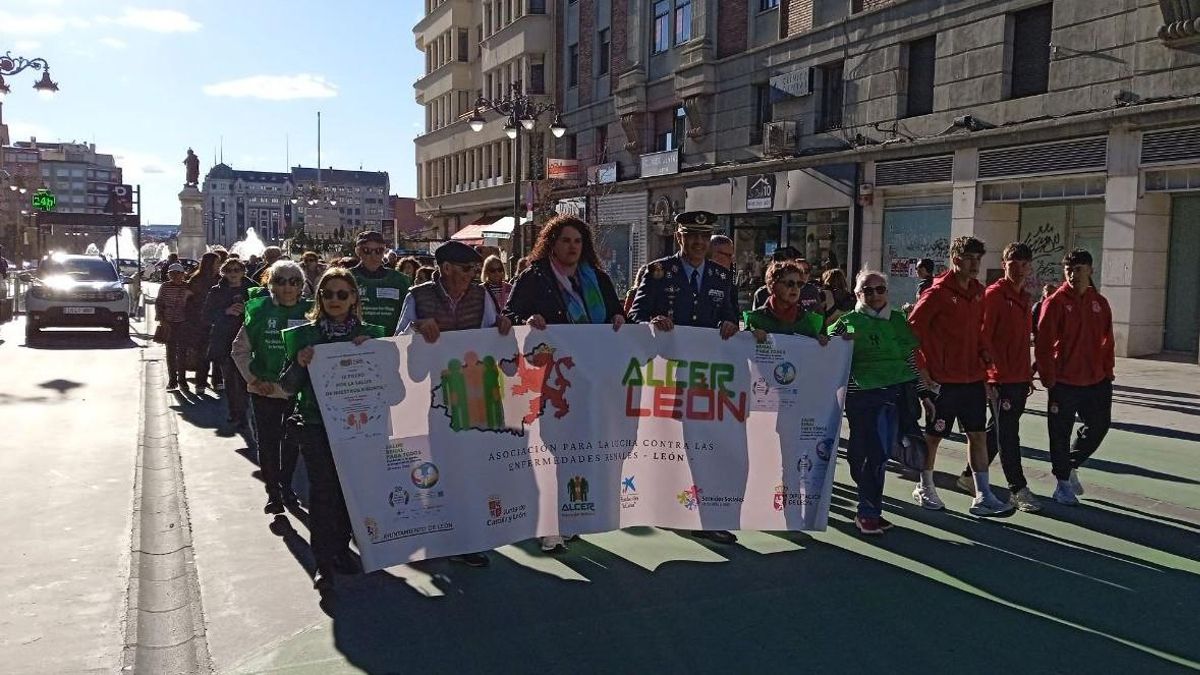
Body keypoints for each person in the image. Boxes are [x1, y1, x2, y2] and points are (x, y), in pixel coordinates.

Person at [504, 216, 626, 552]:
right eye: (565, 240)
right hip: (549, 380)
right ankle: (548, 525)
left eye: (577, 241)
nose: (572, 247)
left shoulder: (597, 278)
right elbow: (510, 314)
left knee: (579, 450)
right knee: (549, 449)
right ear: (551, 243)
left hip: (590, 382)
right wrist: (527, 321)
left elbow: (617, 314)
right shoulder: (534, 276)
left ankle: (573, 517)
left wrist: (618, 318)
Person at [397, 240, 513, 568]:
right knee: (431, 465)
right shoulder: (418, 296)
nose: (471, 276)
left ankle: (465, 539)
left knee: (466, 467)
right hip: (430, 398)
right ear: (445, 268)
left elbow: (493, 332)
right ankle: (428, 532)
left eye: (474, 270)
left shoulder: (482, 295)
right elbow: (397, 341)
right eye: (465, 270)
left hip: (469, 395)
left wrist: (502, 326)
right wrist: (417, 329)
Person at [630, 210, 740, 545]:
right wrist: (653, 322)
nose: (697, 242)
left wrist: (730, 326)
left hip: (704, 377)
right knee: (666, 443)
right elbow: (635, 315)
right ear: (679, 237)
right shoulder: (659, 272)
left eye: (703, 237)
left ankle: (705, 517)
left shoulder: (722, 277)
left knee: (703, 446)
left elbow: (732, 318)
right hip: (665, 375)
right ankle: (663, 506)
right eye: (690, 235)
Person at [281, 268, 386, 592]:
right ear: (319, 298)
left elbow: (390, 384)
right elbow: (286, 386)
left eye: (342, 294)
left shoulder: (372, 333)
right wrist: (299, 362)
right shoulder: (305, 335)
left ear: (354, 298)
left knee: (350, 491)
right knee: (323, 493)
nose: (335, 300)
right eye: (328, 294)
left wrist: (371, 352)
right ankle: (323, 563)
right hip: (316, 425)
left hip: (360, 428)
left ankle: (341, 550)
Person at [908, 235, 1013, 516]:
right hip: (943, 382)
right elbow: (911, 333)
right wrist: (923, 370)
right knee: (933, 437)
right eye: (969, 258)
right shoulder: (936, 293)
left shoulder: (979, 292)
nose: (975, 264)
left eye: (978, 258)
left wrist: (988, 363)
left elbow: (979, 333)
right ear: (955, 259)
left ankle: (983, 495)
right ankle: (924, 486)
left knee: (977, 436)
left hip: (972, 381)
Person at [827, 270, 927, 534]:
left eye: (879, 289)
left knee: (881, 454)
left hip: (898, 393)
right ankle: (867, 510)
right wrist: (838, 341)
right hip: (864, 396)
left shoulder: (897, 320)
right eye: (867, 290)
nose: (874, 295)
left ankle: (871, 508)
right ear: (858, 294)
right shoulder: (847, 322)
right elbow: (825, 349)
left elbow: (909, 359)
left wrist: (925, 393)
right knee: (870, 453)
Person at [952, 243, 1041, 512]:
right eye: (1014, 262)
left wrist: (1027, 375)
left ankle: (969, 476)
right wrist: (988, 377)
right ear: (1004, 264)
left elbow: (1022, 341)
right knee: (1008, 433)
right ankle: (1017, 487)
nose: (1020, 268)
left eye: (1025, 263)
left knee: (998, 428)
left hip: (1018, 377)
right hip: (998, 378)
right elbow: (983, 337)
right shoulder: (993, 296)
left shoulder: (1025, 298)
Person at [231, 260, 313, 515]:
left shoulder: (312, 313)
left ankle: (286, 486)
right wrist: (254, 380)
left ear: (301, 286)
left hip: (297, 393)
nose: (287, 287)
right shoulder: (259, 311)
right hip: (264, 389)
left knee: (292, 444)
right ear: (271, 285)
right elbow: (239, 350)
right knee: (267, 443)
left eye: (294, 281)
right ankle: (273, 493)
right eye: (281, 281)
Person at [1035, 249, 1114, 506]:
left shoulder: (1099, 303)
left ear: (1090, 270)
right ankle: (1062, 484)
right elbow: (1044, 344)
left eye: (1079, 269)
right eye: (1069, 269)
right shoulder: (1055, 302)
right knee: (1059, 432)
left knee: (1100, 425)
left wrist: (1107, 371)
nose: (1073, 274)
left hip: (1096, 380)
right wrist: (1048, 378)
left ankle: (1070, 465)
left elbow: (1107, 340)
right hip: (1064, 381)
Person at [203, 258, 258, 431]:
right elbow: (206, 316)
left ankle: (250, 413)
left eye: (237, 270)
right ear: (224, 272)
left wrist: (247, 310)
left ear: (243, 271)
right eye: (230, 270)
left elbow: (264, 310)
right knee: (231, 380)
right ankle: (237, 413)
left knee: (247, 379)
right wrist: (225, 311)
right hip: (224, 340)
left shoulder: (253, 289)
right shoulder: (216, 291)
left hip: (249, 341)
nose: (233, 274)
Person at [744, 261, 827, 342]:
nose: (795, 288)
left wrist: (820, 342)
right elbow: (740, 349)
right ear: (772, 285)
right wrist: (749, 336)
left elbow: (824, 348)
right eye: (790, 283)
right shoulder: (755, 319)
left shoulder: (810, 322)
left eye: (799, 284)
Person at [350, 230, 412, 336]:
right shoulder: (346, 278)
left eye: (378, 250)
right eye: (367, 250)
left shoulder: (400, 280)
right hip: (355, 345)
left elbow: (410, 314)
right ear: (358, 251)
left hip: (391, 343)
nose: (373, 256)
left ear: (384, 251)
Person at [184, 252, 222, 394]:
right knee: (203, 352)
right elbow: (187, 299)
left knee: (218, 351)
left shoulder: (220, 279)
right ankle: (201, 382)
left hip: (217, 320)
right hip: (199, 321)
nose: (219, 265)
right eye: (217, 263)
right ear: (210, 264)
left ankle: (218, 380)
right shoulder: (197, 279)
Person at [155, 263, 193, 391]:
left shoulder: (188, 287)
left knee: (182, 352)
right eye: (172, 273)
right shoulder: (164, 287)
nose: (175, 276)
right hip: (168, 323)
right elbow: (159, 303)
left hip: (183, 322)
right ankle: (172, 380)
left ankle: (182, 380)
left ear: (183, 274)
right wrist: (161, 319)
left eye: (178, 273)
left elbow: (193, 304)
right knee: (170, 352)